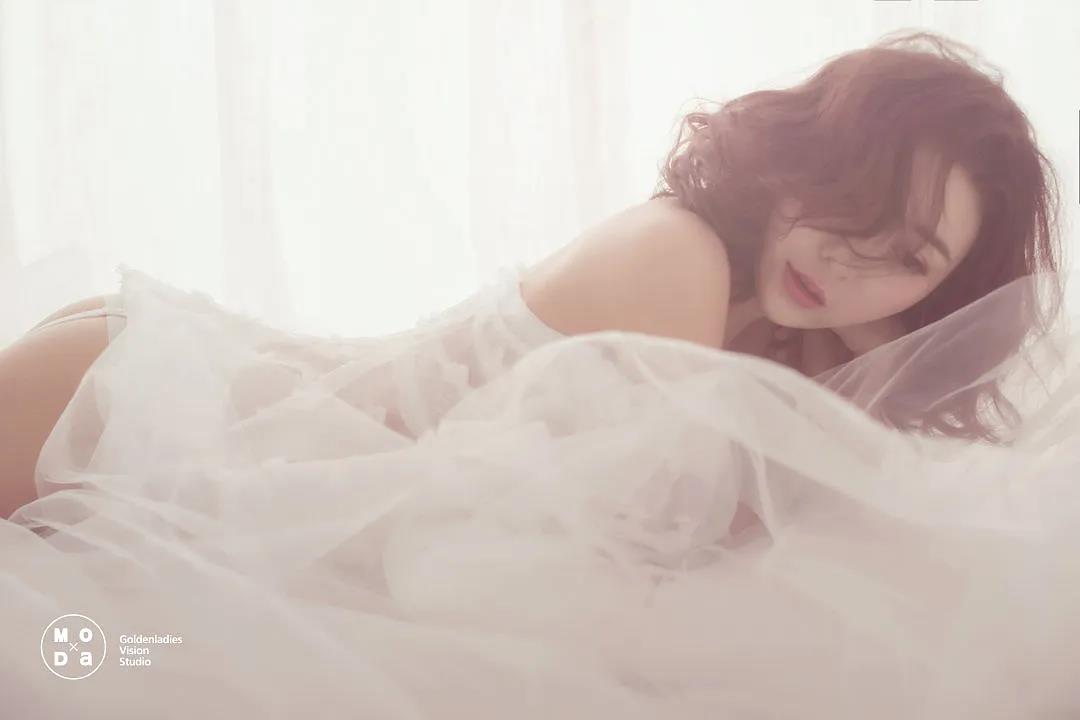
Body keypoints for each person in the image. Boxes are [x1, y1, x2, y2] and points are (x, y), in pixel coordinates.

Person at [2, 30, 1078, 718]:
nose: (849, 259)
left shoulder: (758, 330)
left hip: (201, 449)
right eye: (858, 197)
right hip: (137, 409)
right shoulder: (681, 262)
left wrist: (856, 358)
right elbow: (559, 568)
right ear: (811, 151)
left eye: (907, 259)